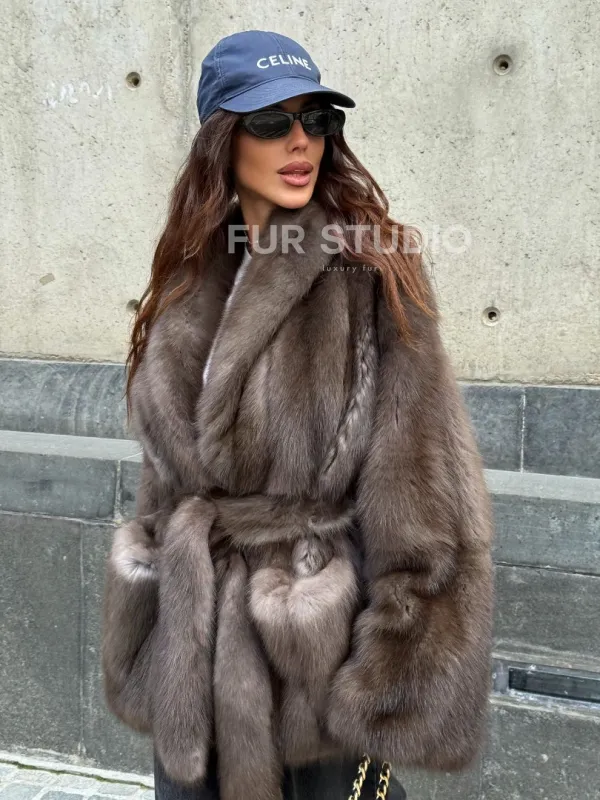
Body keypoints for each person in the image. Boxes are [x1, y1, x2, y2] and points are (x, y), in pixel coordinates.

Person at [100, 29, 495, 800]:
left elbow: (426, 501)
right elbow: (166, 487)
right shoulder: (187, 277)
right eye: (270, 121)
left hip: (308, 663)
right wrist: (152, 602)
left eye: (315, 118)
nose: (301, 141)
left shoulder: (369, 272)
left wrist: (388, 680)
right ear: (222, 139)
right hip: (192, 658)